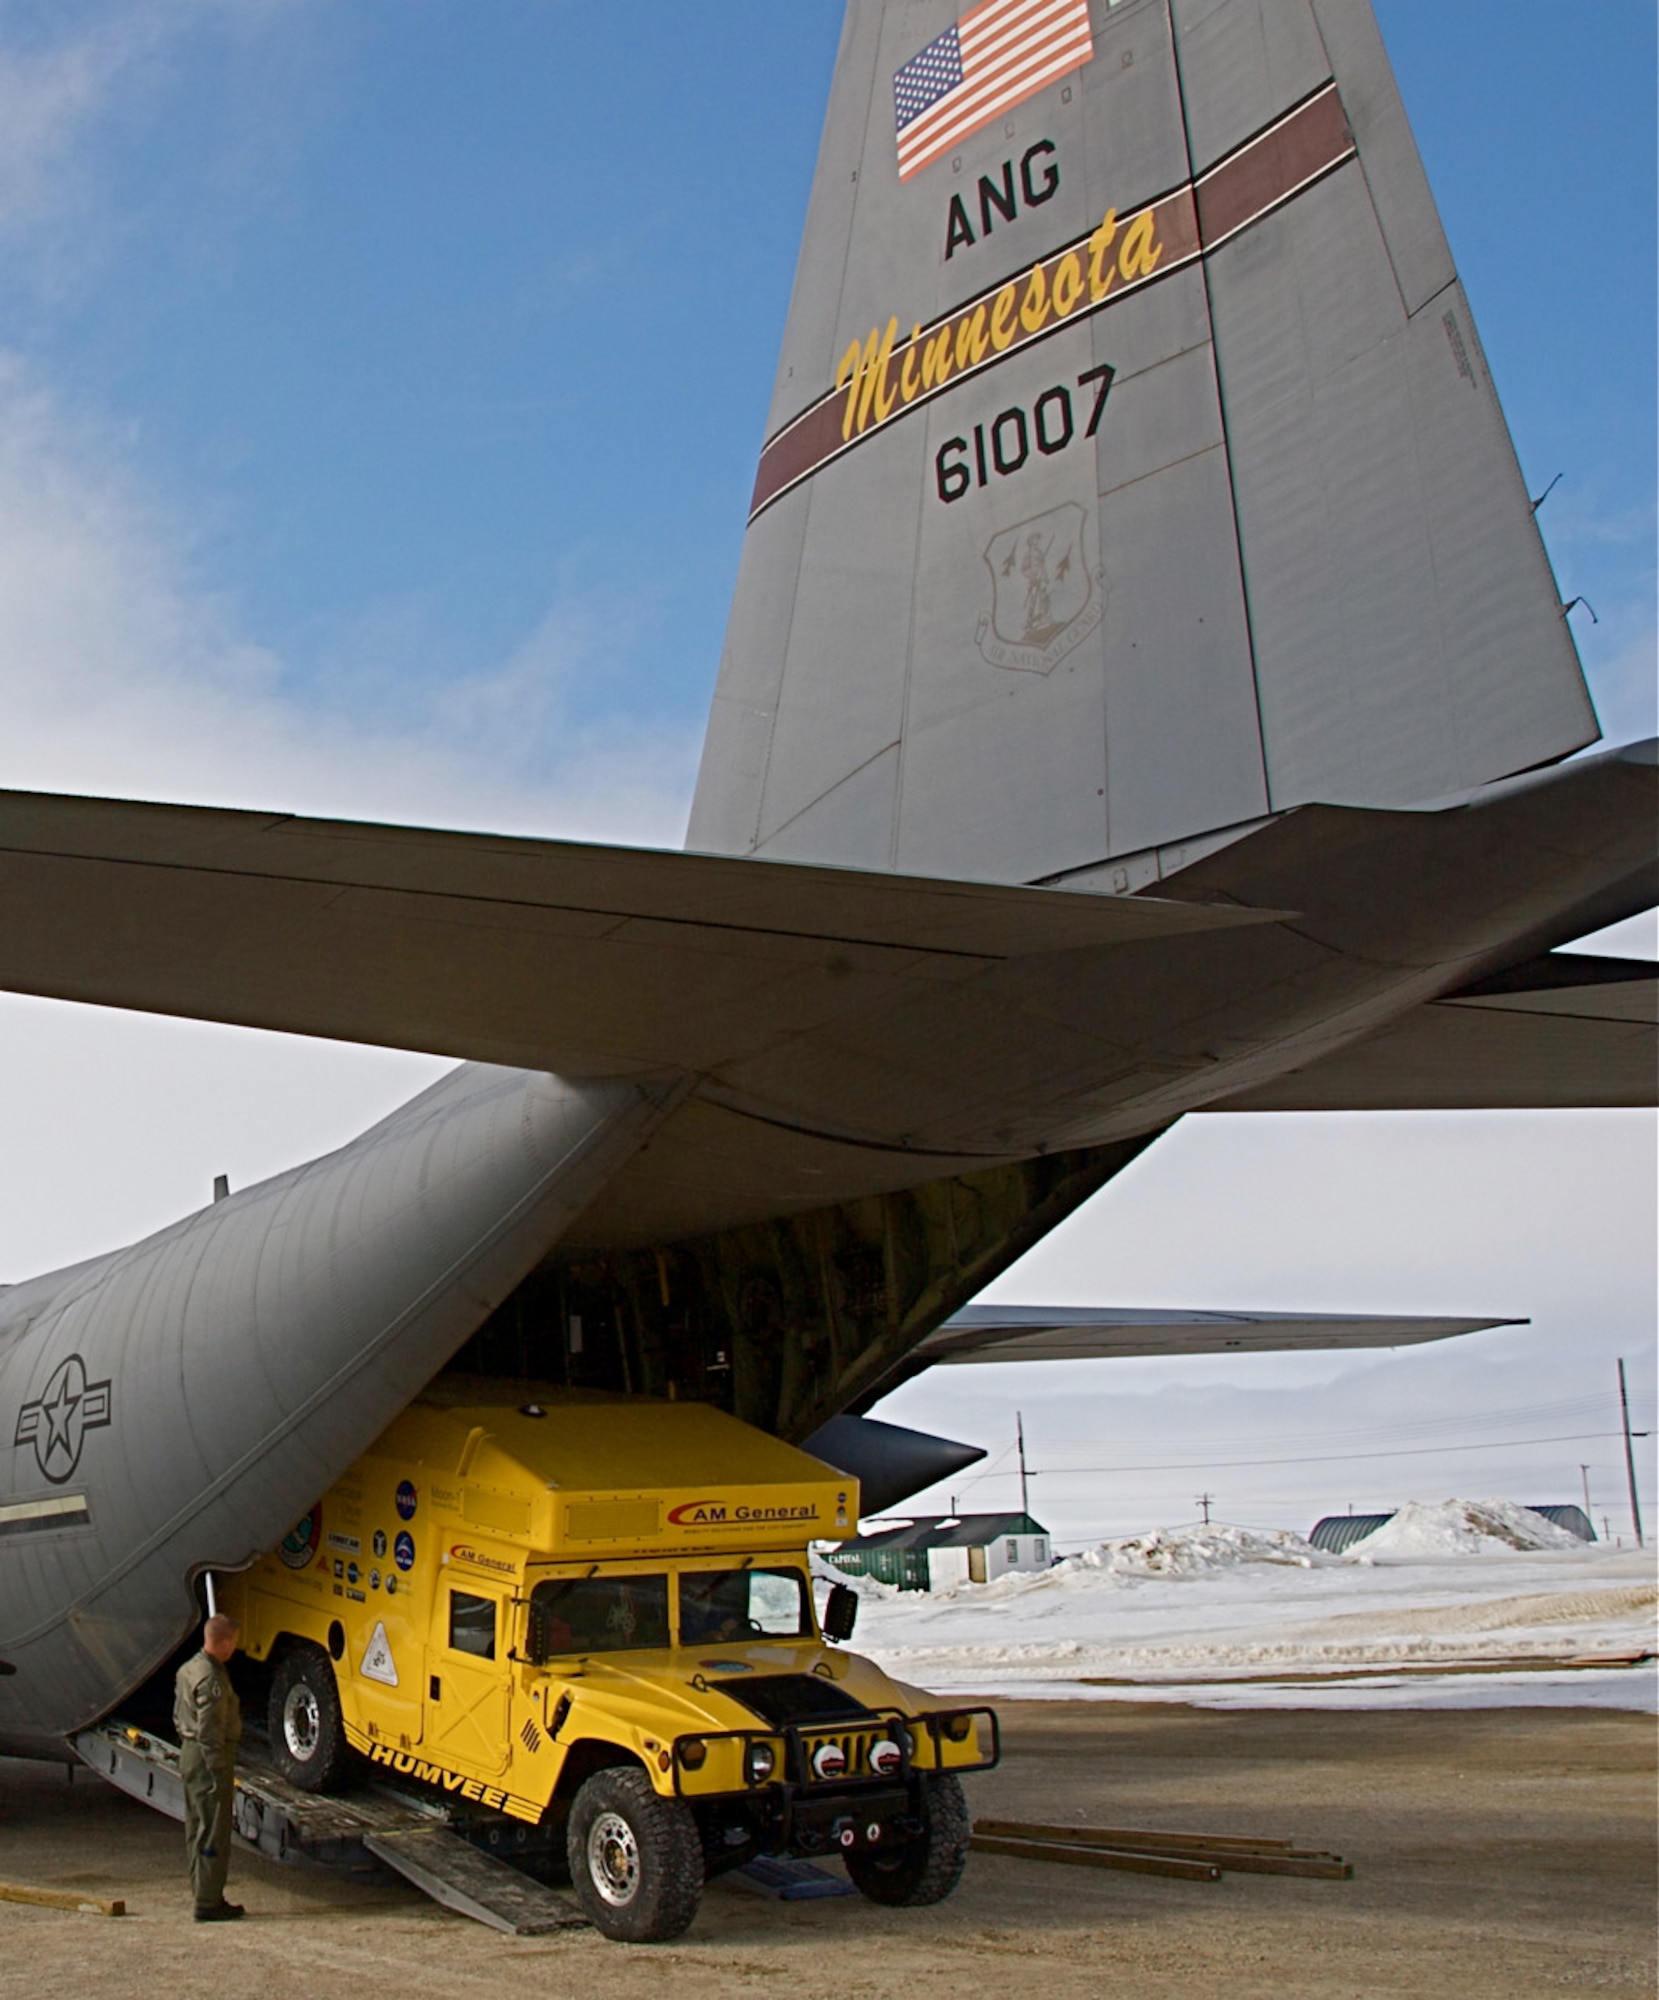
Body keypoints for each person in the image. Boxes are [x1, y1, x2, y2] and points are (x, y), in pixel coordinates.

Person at [173, 1612, 244, 1921]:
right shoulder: (212, 1679)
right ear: (224, 1641)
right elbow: (210, 1729)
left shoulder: (189, 1668)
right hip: (208, 1758)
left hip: (189, 1752)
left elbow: (180, 1716)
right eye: (233, 1643)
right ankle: (209, 1900)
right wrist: (217, 1769)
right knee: (213, 1829)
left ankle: (201, 1889)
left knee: (196, 1826)